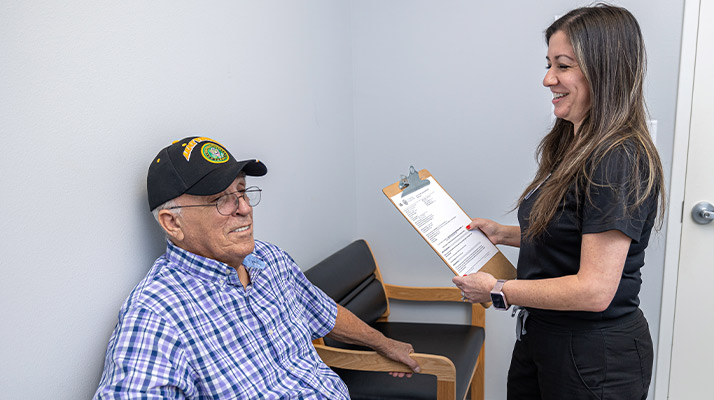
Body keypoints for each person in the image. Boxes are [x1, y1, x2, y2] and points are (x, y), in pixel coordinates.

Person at [94, 136, 420, 399]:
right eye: (221, 199)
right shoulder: (157, 318)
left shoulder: (269, 260)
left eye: (242, 191)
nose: (245, 209)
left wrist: (385, 343)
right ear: (172, 223)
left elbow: (323, 311)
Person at [452, 4, 665, 400]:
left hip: (592, 359)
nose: (548, 79)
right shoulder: (577, 144)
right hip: (545, 340)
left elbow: (594, 290)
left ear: (604, 70)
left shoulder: (617, 158)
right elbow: (573, 230)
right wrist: (505, 234)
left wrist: (498, 289)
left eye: (563, 66)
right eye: (549, 64)